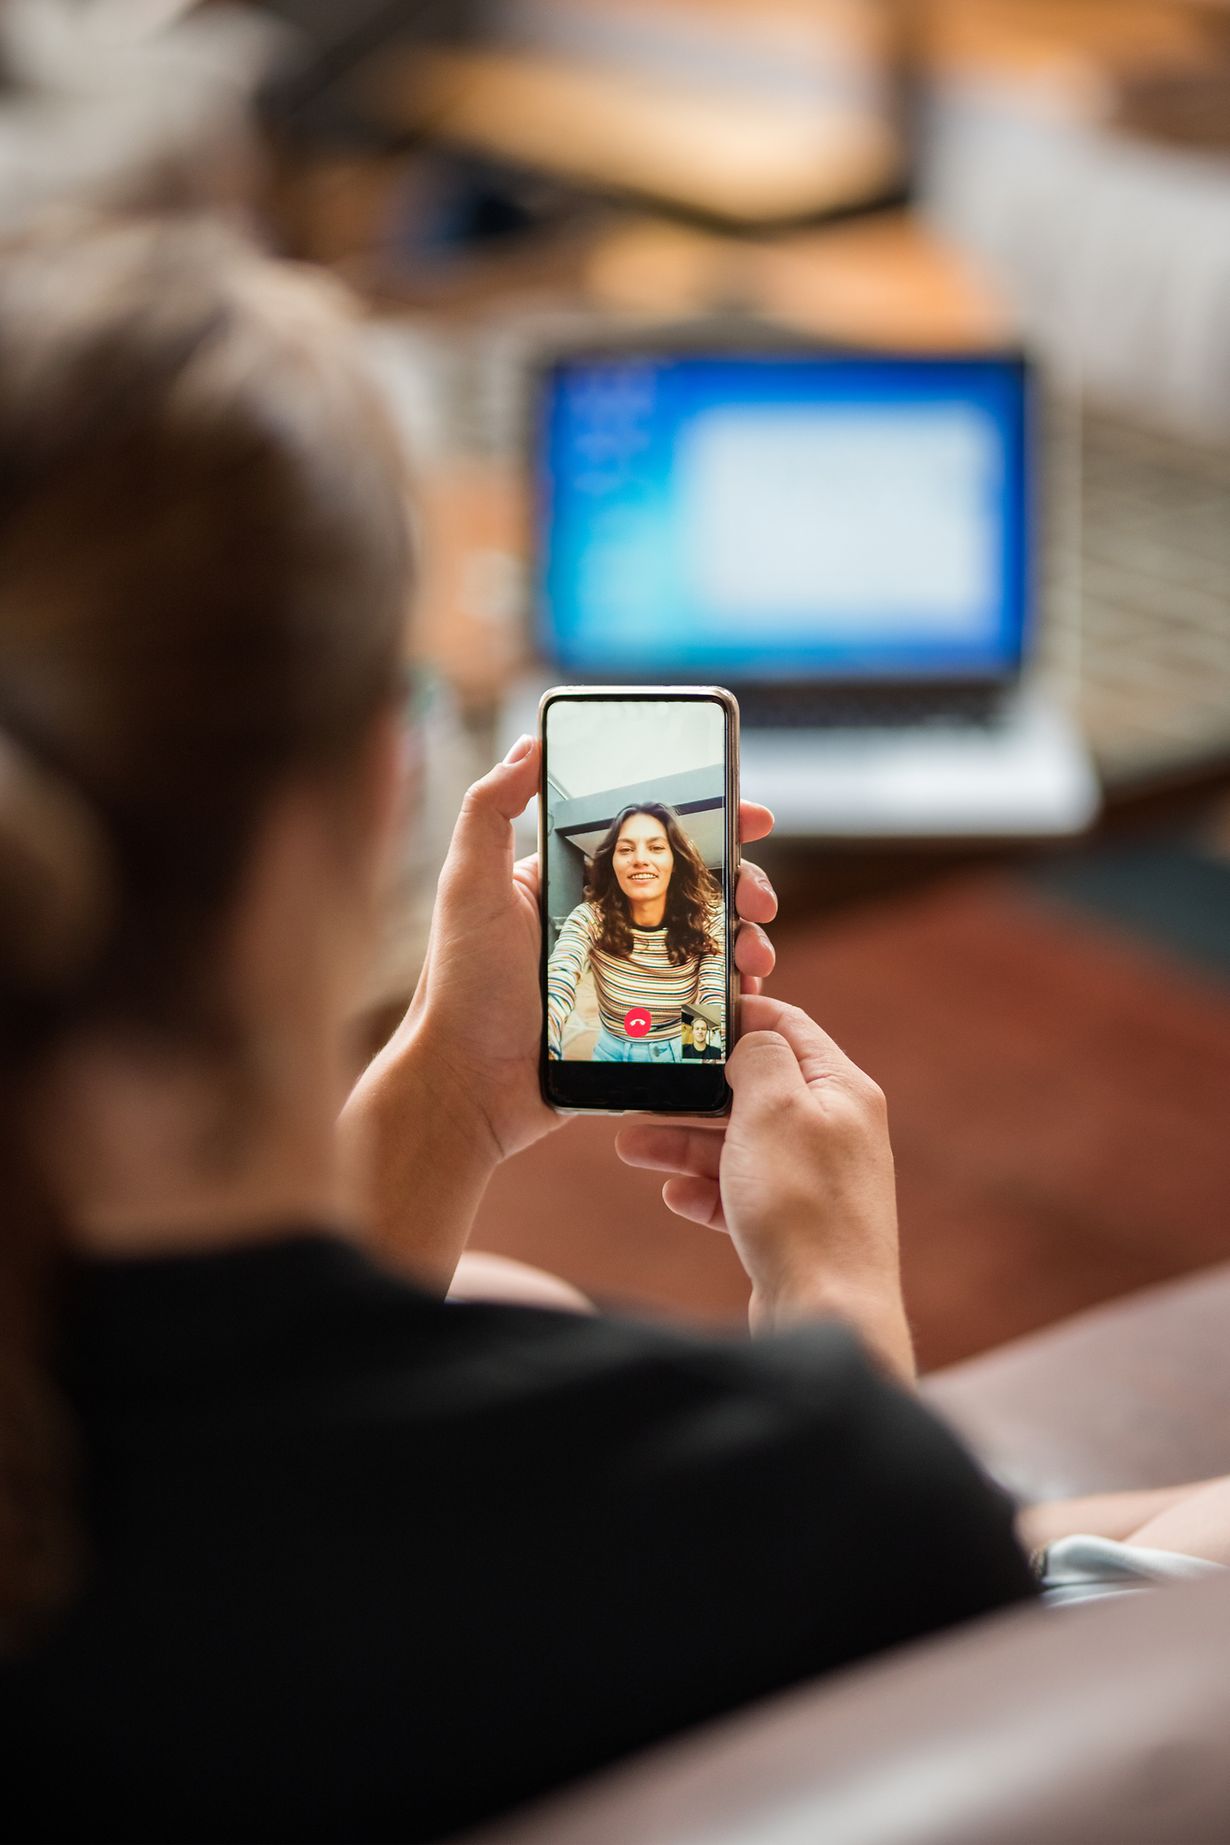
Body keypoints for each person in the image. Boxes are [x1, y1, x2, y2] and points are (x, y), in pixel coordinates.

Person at [0, 218, 1043, 1845]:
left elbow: (255, 1392)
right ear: (377, 790)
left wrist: (451, 1094)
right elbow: (958, 1735)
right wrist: (835, 1303)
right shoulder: (778, 1504)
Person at [546, 801, 725, 1062]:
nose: (640, 860)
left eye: (656, 848)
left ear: (674, 860)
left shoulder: (709, 917)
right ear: (613, 863)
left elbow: (713, 991)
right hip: (611, 1049)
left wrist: (706, 1060)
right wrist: (544, 1041)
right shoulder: (590, 917)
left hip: (681, 1047)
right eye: (626, 849)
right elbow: (559, 974)